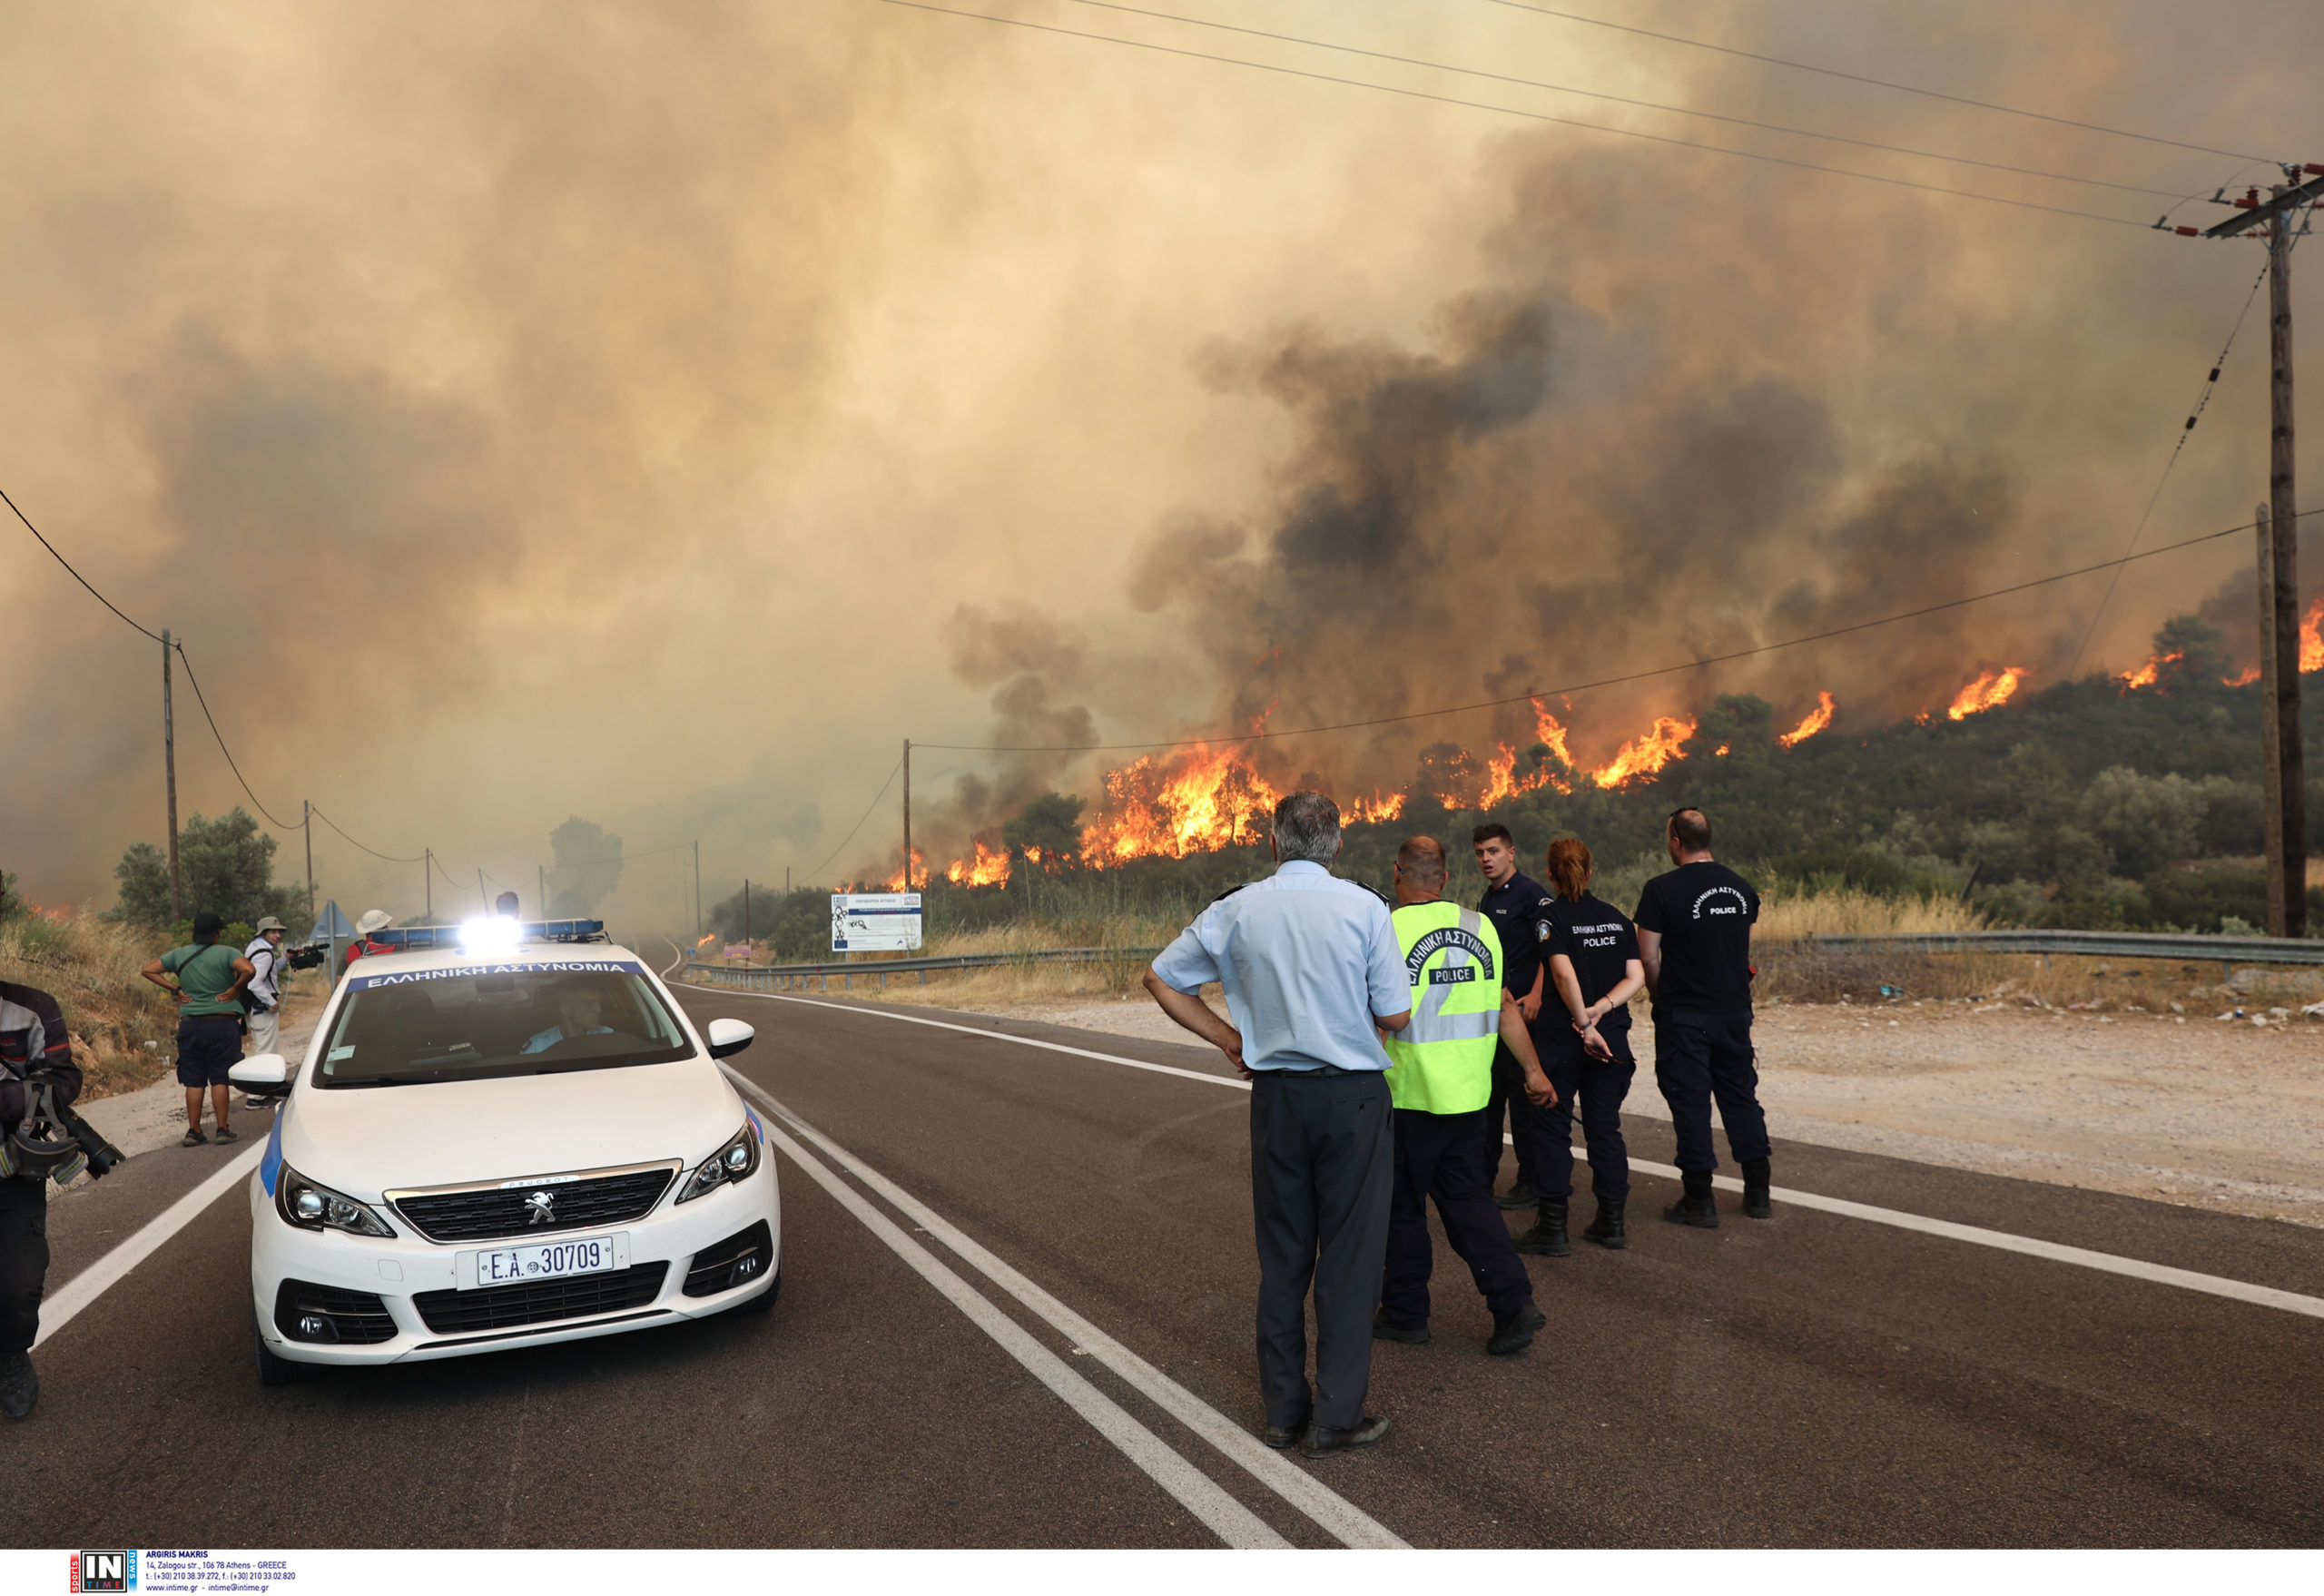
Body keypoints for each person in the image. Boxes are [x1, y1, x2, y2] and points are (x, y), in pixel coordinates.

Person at [1144, 793, 1412, 1459]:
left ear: (1273, 843)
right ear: (1338, 845)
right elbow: (1396, 1016)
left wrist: (1229, 1039)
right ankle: (1336, 1417)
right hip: (1351, 1098)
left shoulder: (1236, 908)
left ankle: (1284, 1413)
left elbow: (1162, 980)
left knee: (1284, 1254)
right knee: (1350, 1257)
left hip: (1278, 1100)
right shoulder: (1366, 908)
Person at [1373, 836, 1554, 1357]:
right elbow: (1504, 1006)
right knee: (1470, 1203)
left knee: (1401, 1208)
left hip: (1408, 1097)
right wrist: (1534, 1072)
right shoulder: (1482, 927)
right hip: (1471, 1098)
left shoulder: (1385, 929)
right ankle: (1513, 1304)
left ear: (1397, 874)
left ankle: (1406, 1313)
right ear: (1446, 878)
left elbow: (1379, 1018)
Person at [1634, 807, 1772, 1227]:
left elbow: (1647, 957)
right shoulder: (1741, 888)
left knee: (1690, 1102)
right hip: (1733, 1011)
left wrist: (1660, 994)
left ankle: (1699, 1199)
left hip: (1684, 1016)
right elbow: (1742, 951)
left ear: (1676, 841)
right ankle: (1758, 1193)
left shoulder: (1660, 890)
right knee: (1740, 1096)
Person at [1525, 837, 1647, 1255]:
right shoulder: (1616, 918)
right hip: (1610, 1038)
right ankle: (1611, 1223)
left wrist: (1582, 1021)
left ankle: (1553, 1228)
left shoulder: (1549, 917)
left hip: (1564, 1040)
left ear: (1550, 874)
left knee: (1552, 1130)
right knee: (1605, 1129)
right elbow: (1636, 977)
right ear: (1590, 871)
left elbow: (1562, 975)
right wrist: (1602, 1009)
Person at [1, 902, 81, 1419]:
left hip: (12, 1175)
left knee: (17, 1286)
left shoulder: (30, 1008)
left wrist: (13, 1099)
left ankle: (10, 1356)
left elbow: (64, 1080)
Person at [1472, 823, 1557, 1209]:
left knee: (1523, 1105)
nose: (1486, 859)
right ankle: (1482, 1179)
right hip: (1494, 1016)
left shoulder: (1531, 895)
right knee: (1489, 1104)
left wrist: (1537, 993)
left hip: (1523, 1014)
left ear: (1511, 852)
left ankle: (1530, 1182)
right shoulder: (1488, 898)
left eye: (1493, 851)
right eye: (1480, 853)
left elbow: (1552, 950)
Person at [142, 911, 255, 1147]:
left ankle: (193, 1131)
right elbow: (249, 970)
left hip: (191, 1026)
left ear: (194, 932)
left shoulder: (178, 954)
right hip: (222, 1025)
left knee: (194, 1080)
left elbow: (148, 970)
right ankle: (222, 1130)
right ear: (217, 933)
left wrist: (175, 990)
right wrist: (236, 989)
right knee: (220, 1077)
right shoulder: (227, 952)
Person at [242, 916, 289, 1058]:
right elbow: (254, 983)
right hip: (263, 1010)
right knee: (267, 1055)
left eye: (279, 932)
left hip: (255, 1008)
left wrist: (286, 958)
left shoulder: (255, 947)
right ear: (263, 933)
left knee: (263, 1051)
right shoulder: (264, 954)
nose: (278, 936)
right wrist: (272, 1002)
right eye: (273, 932)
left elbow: (269, 970)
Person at [522, 982, 615, 1053]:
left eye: (599, 1003)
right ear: (566, 1009)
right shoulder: (537, 1047)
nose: (599, 1009)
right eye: (589, 1004)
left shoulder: (609, 1038)